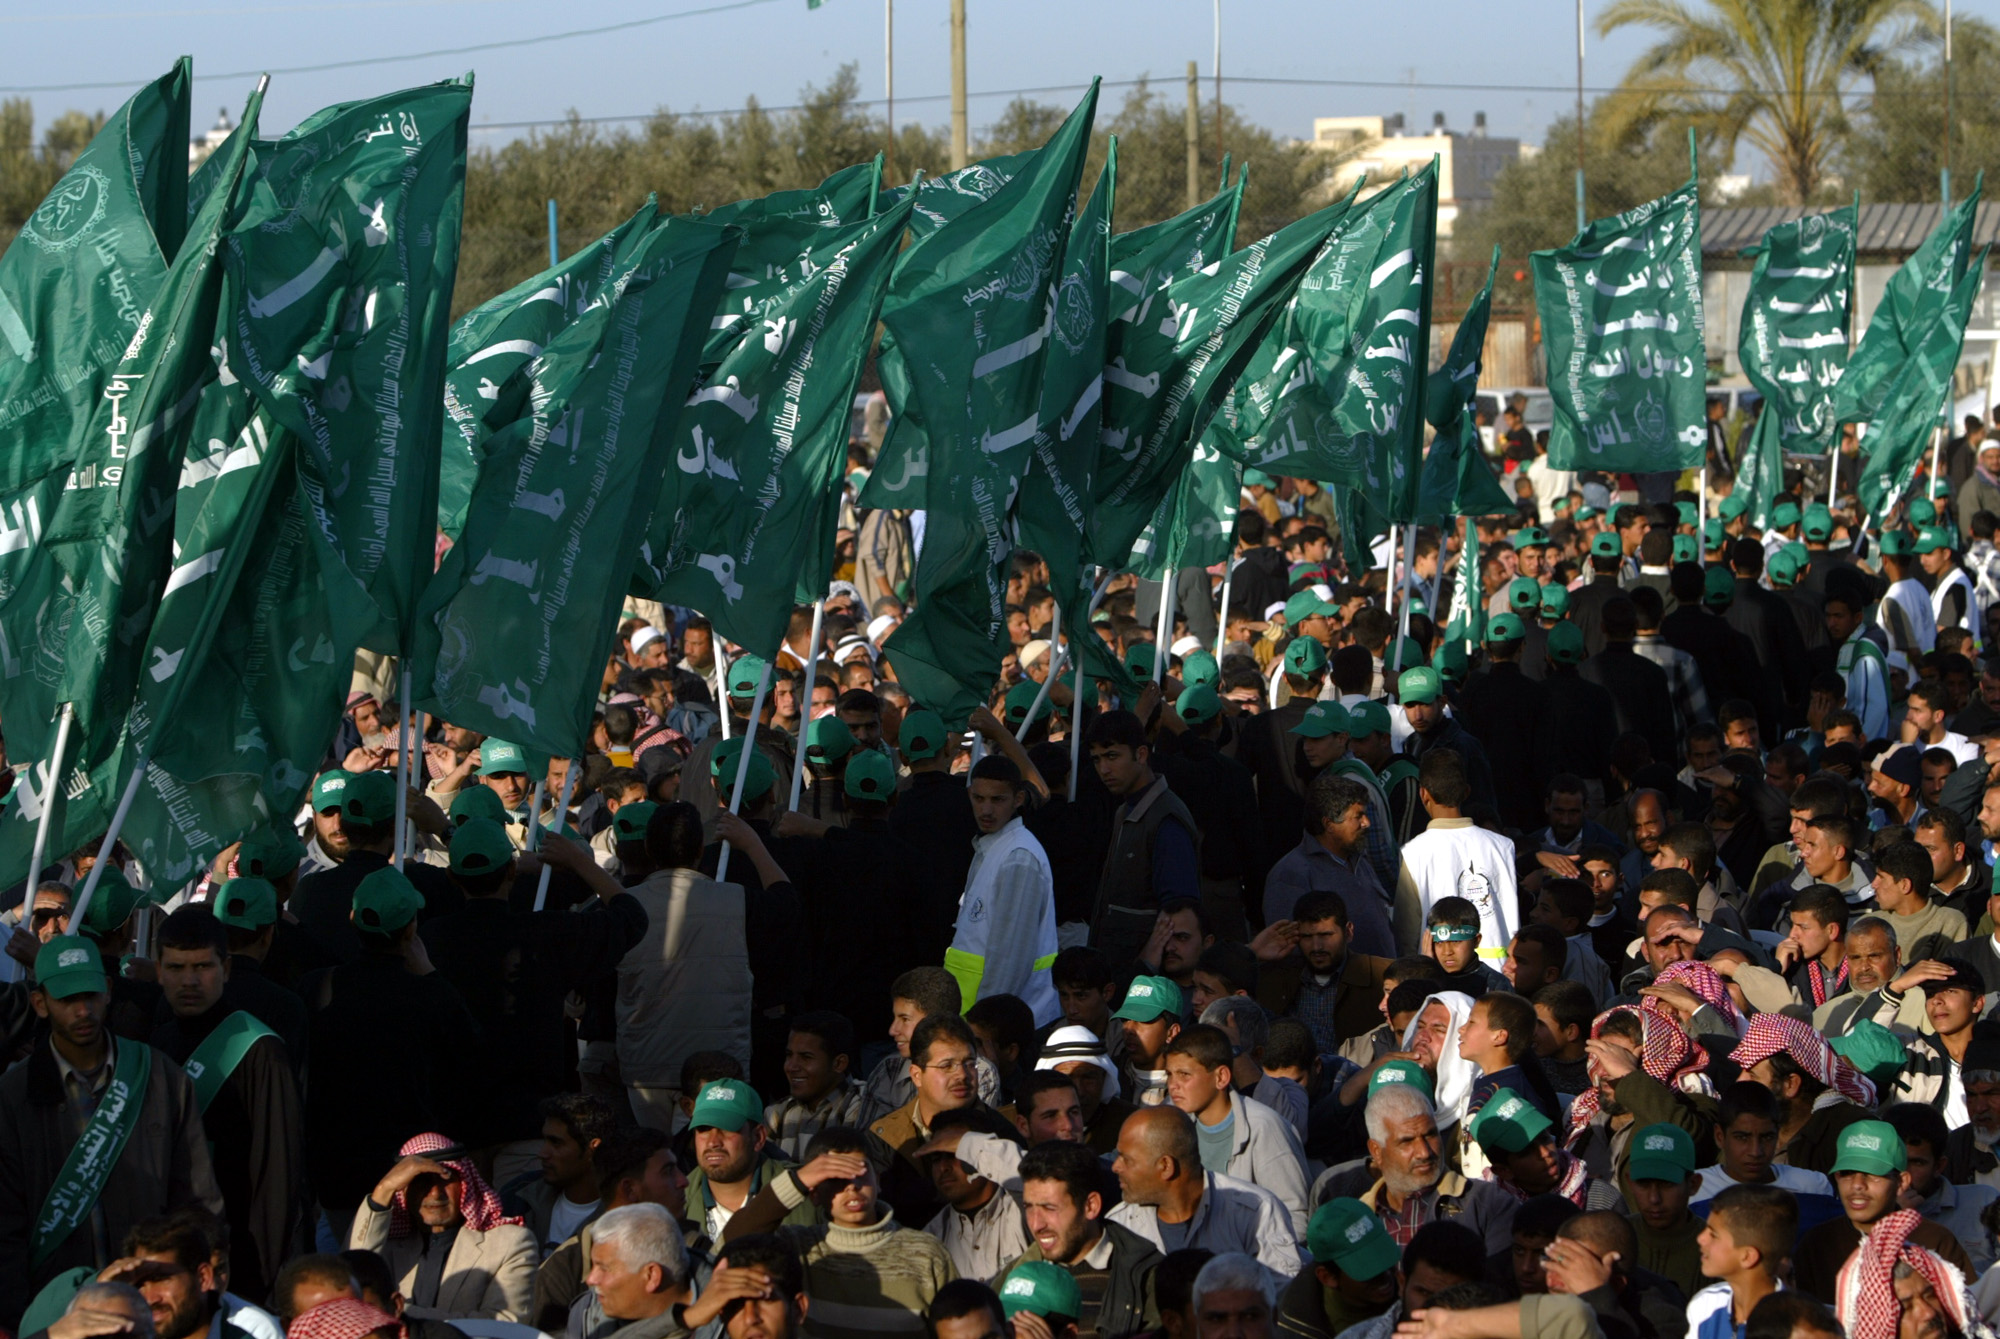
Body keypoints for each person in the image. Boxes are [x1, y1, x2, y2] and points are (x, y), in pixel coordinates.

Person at [0, 936, 224, 1329]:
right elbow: (5, 1225)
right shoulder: (12, 1097)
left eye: (90, 995)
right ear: (40, 1003)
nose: (82, 1010)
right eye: (68, 999)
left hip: (154, 1302)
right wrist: (23, 1321)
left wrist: (202, 1291)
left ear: (108, 991)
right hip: (58, 1308)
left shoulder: (159, 1076)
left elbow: (196, 1197)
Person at [301, 866, 486, 1232]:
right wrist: (431, 974)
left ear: (353, 918)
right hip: (409, 1172)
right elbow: (472, 1058)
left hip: (337, 1171)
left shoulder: (317, 988)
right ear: (411, 929)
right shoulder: (431, 997)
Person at [148, 907, 305, 1301]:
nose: (189, 980)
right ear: (158, 970)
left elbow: (277, 1174)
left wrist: (257, 1275)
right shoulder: (156, 1045)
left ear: (227, 969)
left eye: (202, 966)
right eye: (177, 967)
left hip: (238, 1257)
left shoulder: (259, 1050)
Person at [618, 802, 789, 1130]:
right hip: (716, 1070)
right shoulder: (736, 900)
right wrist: (752, 843)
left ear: (650, 849)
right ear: (700, 849)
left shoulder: (625, 907)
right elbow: (786, 905)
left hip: (646, 1069)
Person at [719, 1126, 957, 1333]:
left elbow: (959, 1326)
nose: (852, 1187)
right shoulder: (800, 1248)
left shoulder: (926, 1253)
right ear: (813, 1192)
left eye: (860, 1173)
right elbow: (731, 1244)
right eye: (835, 1178)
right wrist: (797, 1180)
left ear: (878, 1180)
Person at [347, 1133, 537, 1322]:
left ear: (464, 1183)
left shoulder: (510, 1242)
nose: (436, 1193)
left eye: (446, 1179)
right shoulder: (386, 1241)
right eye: (422, 1181)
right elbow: (348, 1286)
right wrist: (383, 1190)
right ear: (403, 1190)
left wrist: (393, 1313)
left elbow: (504, 1324)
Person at [1105, 1107, 1303, 1285]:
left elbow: (1283, 1302)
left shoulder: (1254, 1211)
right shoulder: (1121, 1225)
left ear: (1166, 1166)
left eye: (1127, 1159)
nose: (1115, 1166)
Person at [1793, 1121, 1973, 1305]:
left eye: (1873, 1174)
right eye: (1847, 1173)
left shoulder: (1934, 1241)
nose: (1857, 1185)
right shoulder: (1817, 1243)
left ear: (1901, 1182)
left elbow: (1964, 1314)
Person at [998, 1140, 1162, 1339]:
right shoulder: (1017, 1273)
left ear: (1091, 1206)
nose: (1036, 1224)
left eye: (1049, 1208)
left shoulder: (1145, 1277)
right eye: (1029, 1207)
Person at [1162, 1026, 1310, 1236]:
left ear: (1221, 1077)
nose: (1173, 1085)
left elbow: (1294, 1218)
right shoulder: (1171, 1120)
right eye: (1169, 1074)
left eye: (1184, 1075)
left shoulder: (1265, 1127)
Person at [951, 756, 1059, 1025]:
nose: (986, 810)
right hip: (985, 1016)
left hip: (1002, 1022)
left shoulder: (1018, 858)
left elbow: (1010, 958)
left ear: (1018, 799)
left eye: (997, 800)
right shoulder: (995, 848)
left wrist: (983, 1025)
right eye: (979, 798)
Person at [1090, 711, 1202, 969]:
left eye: (1112, 756)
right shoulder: (1125, 811)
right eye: (1096, 760)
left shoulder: (1165, 820)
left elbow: (1179, 914)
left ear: (1141, 754)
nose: (1104, 769)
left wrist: (1146, 969)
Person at [1354, 1085, 1517, 1257]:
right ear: (1376, 1151)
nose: (1424, 1152)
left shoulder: (1488, 1203)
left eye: (1431, 1135)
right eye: (1407, 1141)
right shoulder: (1357, 1220)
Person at [1390, 751, 1517, 964]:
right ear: (1467, 792)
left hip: (1441, 981)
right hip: (1499, 981)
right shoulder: (1502, 846)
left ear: (1423, 794)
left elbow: (1407, 934)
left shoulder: (1413, 852)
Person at [1264, 774, 1396, 960]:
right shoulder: (1291, 875)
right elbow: (1290, 953)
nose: (1367, 823)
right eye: (1358, 816)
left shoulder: (1360, 862)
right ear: (1329, 824)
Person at [1255, 890, 1392, 1059]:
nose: (1316, 947)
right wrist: (1252, 952)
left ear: (1348, 932)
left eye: (1325, 935)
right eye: (1307, 937)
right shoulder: (1277, 976)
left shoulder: (1380, 974)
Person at [1882, 1102, 2000, 1276]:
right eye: (1895, 1162)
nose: (1904, 1174)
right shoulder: (1869, 1212)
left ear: (1939, 1166)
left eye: (1917, 1163)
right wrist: (1894, 1217)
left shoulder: (1982, 1201)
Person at [1465, 1090, 1622, 1211]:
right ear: (1503, 1170)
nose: (1546, 1153)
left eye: (1545, 1139)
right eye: (1526, 1151)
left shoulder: (1602, 1199)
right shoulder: (1485, 1210)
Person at [1684, 1186, 1793, 1339]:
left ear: (1747, 1257)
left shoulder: (1800, 1325)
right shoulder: (1707, 1304)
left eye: (1713, 1235)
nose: (1701, 1239)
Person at [580, 1203, 693, 1339]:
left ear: (652, 1276)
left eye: (603, 1268)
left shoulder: (721, 1325)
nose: (590, 1279)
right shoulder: (588, 1313)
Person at [764, 1013, 868, 1161]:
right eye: (789, 1055)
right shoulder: (777, 1113)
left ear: (839, 1063)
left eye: (806, 1057)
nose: (791, 1067)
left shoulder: (863, 1105)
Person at [1396, 669, 1495, 815]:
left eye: (1425, 704)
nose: (1417, 715)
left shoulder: (1466, 746)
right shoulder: (1409, 744)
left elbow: (1484, 808)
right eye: (1410, 705)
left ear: (1442, 702)